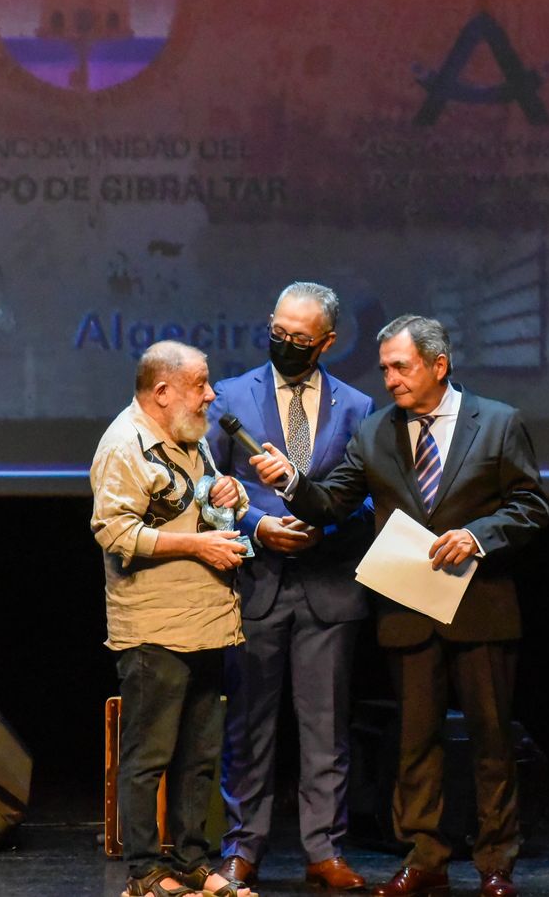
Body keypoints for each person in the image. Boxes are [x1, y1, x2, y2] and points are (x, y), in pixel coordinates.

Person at [249, 315, 549, 897]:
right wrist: (291, 482)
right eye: (384, 368)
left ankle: (495, 864)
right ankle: (426, 859)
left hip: (479, 606)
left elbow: (531, 506)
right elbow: (332, 503)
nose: (389, 379)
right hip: (408, 608)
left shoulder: (499, 422)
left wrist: (480, 535)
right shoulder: (376, 431)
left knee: (490, 740)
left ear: (439, 365)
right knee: (414, 743)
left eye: (401, 367)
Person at [206, 283, 375, 891]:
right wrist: (258, 525)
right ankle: (241, 847)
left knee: (326, 730)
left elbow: (371, 501)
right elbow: (206, 491)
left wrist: (321, 525)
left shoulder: (356, 407)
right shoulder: (228, 396)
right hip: (255, 583)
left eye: (300, 340)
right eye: (278, 333)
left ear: (327, 342)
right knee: (247, 727)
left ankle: (323, 850)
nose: (285, 345)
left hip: (328, 587)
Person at [89, 340, 257, 897]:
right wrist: (196, 547)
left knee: (200, 755)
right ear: (162, 392)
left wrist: (225, 494)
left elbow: (201, 502)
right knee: (149, 756)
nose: (211, 394)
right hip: (156, 628)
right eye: (200, 384)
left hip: (207, 622)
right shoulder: (124, 446)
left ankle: (190, 861)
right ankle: (143, 872)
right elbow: (115, 533)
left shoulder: (189, 436)